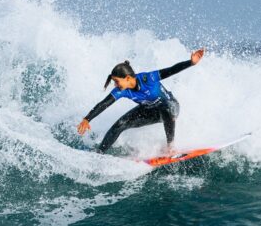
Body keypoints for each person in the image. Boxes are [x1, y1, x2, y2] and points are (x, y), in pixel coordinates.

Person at [77, 48, 205, 153]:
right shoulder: (122, 90)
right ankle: (99, 153)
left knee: (166, 108)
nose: (115, 85)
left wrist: (190, 63)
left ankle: (170, 146)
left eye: (116, 81)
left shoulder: (147, 78)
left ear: (127, 78)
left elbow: (171, 70)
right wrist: (87, 119)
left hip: (171, 108)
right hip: (150, 110)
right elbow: (104, 103)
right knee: (120, 124)